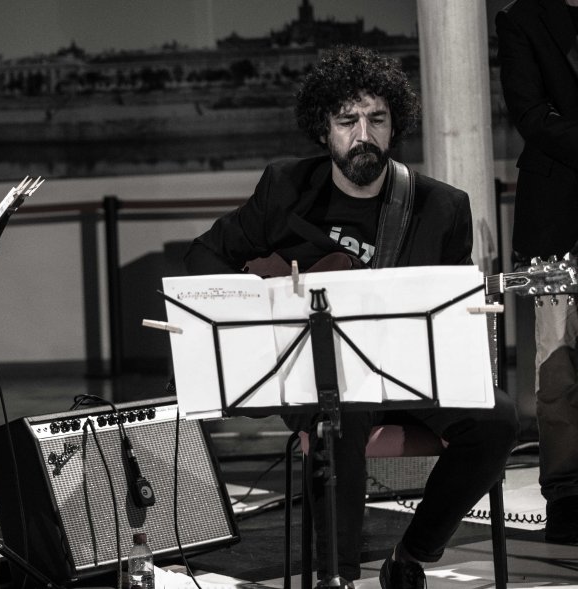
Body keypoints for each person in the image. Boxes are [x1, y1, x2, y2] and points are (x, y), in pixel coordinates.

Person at [185, 46, 519, 589]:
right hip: (313, 372)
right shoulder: (286, 189)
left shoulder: (440, 207)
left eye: (377, 119)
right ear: (325, 129)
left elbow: (451, 316)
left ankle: (410, 554)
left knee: (497, 419)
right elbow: (203, 255)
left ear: (394, 125)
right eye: (347, 121)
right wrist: (265, 305)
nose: (363, 135)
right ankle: (334, 579)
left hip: (406, 371)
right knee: (339, 409)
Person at [496, 0, 578, 545]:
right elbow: (530, 115)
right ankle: (567, 496)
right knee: (558, 367)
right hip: (557, 220)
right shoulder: (521, 18)